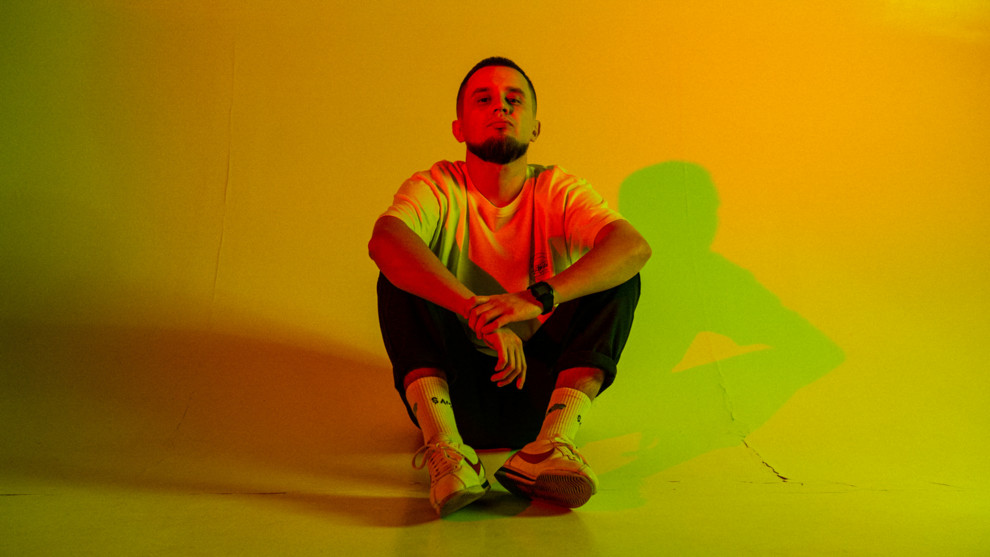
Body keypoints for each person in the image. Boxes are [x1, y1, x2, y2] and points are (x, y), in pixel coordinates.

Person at [368, 56, 651, 517]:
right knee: (398, 272)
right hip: (454, 394)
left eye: (514, 99)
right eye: (484, 99)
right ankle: (448, 451)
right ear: (459, 127)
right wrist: (479, 313)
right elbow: (385, 240)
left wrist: (532, 299)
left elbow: (633, 247)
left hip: (538, 398)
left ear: (535, 127)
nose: (501, 107)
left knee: (617, 276)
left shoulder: (558, 189)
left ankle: (551, 446)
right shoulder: (437, 185)